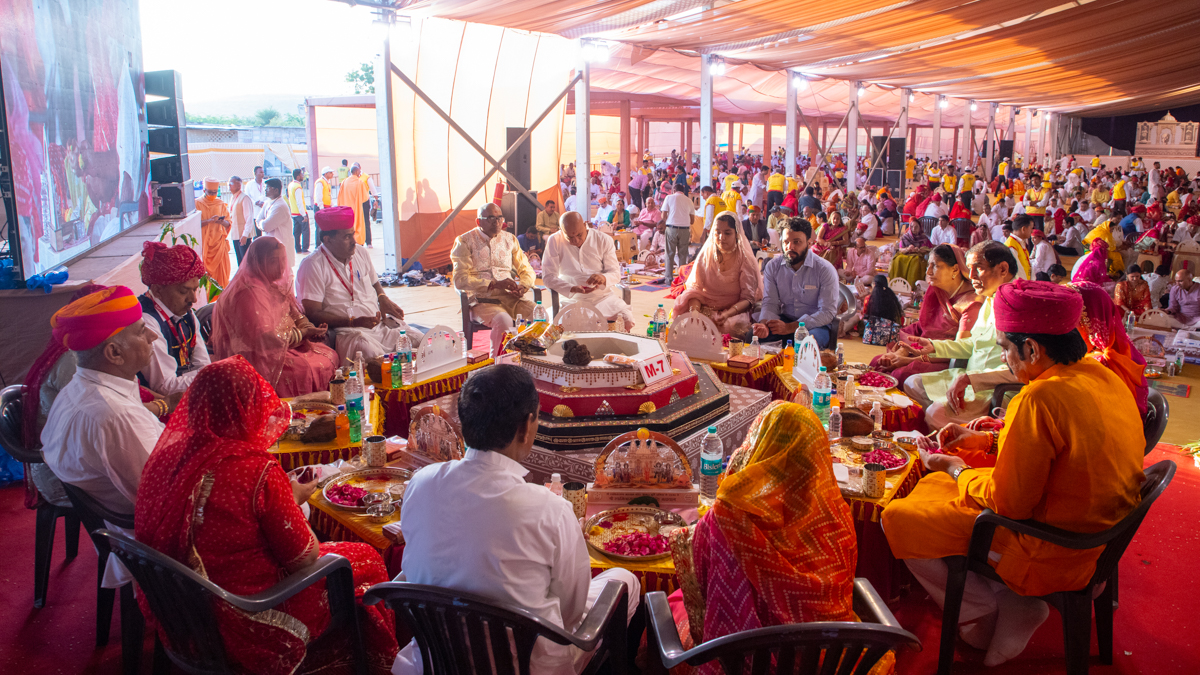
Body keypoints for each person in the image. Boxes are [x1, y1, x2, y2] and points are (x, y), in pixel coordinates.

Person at [882, 279, 1145, 667]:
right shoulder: (1101, 374)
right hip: (1098, 535)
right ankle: (1012, 602)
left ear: (1033, 348)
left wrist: (954, 467)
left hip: (1051, 544)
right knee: (939, 484)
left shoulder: (1040, 397)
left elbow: (1011, 504)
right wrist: (985, 443)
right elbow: (1063, 454)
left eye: (1006, 349)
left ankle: (980, 615)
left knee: (899, 516)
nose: (1005, 360)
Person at [135, 356, 399, 674]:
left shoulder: (166, 458)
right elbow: (304, 558)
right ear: (247, 408)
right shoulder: (253, 469)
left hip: (181, 608)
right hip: (246, 613)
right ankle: (367, 662)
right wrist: (292, 499)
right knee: (365, 557)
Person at [394, 365, 640, 675]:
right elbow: (572, 611)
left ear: (463, 422)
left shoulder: (421, 483)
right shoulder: (549, 509)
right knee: (624, 580)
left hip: (437, 659)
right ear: (526, 427)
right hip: (527, 666)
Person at [666, 401, 866, 662]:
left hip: (743, 658)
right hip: (826, 657)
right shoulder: (836, 515)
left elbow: (701, 579)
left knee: (668, 607)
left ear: (760, 446)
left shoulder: (731, 515)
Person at [40, 286, 164, 586]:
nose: (153, 336)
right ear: (114, 353)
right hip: (153, 545)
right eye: (141, 331)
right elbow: (167, 496)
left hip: (122, 524)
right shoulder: (114, 415)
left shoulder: (77, 391)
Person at [897, 241, 1018, 427]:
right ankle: (948, 427)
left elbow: (1019, 372)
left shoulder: (1018, 307)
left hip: (993, 388)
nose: (971, 276)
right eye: (969, 269)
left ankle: (955, 439)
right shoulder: (991, 299)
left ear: (1003, 269)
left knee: (935, 413)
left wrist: (971, 379)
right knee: (912, 383)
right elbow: (972, 345)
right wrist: (934, 346)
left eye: (978, 269)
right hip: (968, 377)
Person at [210, 238, 337, 397]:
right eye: (272, 261)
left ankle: (320, 409)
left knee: (329, 355)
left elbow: (294, 314)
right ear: (258, 263)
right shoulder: (249, 293)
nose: (280, 266)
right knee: (306, 368)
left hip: (285, 345)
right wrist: (303, 334)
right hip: (258, 354)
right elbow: (264, 338)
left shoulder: (273, 285)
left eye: (282, 260)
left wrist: (308, 327)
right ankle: (297, 415)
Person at [296, 206, 421, 365]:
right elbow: (313, 312)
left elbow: (375, 282)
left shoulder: (361, 253)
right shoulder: (312, 265)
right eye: (347, 237)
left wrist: (382, 298)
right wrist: (353, 322)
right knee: (371, 356)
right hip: (351, 334)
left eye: (353, 234)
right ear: (328, 239)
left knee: (418, 340)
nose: (354, 242)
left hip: (380, 327)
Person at [873, 244, 980, 382]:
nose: (928, 272)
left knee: (901, 374)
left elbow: (959, 349)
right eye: (928, 265)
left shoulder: (971, 303)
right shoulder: (936, 290)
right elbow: (923, 327)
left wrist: (906, 360)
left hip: (944, 359)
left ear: (955, 269)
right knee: (878, 363)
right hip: (921, 349)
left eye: (935, 266)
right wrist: (902, 351)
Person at [451, 203, 537, 357]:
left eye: (499, 218)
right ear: (479, 222)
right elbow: (460, 279)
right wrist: (493, 284)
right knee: (503, 320)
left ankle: (526, 360)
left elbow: (526, 269)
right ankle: (496, 367)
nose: (496, 223)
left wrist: (523, 286)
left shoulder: (510, 239)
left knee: (538, 315)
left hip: (511, 298)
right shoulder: (464, 241)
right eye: (491, 218)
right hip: (482, 300)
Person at [673, 212, 764, 340]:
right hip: (704, 308)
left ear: (737, 234)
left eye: (727, 233)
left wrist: (727, 314)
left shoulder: (745, 260)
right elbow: (695, 290)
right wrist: (695, 312)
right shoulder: (706, 256)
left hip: (734, 312)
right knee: (688, 325)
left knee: (727, 328)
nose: (721, 237)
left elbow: (748, 299)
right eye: (717, 232)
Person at [136, 241, 212, 395]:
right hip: (157, 407)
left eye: (195, 290)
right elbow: (165, 387)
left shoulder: (186, 313)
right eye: (184, 291)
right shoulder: (145, 322)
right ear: (157, 290)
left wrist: (208, 375)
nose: (194, 299)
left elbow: (203, 365)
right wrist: (212, 376)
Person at [753, 217, 840, 349]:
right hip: (785, 319)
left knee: (807, 346)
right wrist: (764, 324)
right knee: (753, 337)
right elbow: (770, 302)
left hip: (815, 326)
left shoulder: (824, 269)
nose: (790, 247)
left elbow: (827, 312)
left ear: (809, 243)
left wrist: (791, 327)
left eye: (797, 242)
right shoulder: (773, 266)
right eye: (786, 242)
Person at [543, 212, 635, 331]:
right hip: (571, 299)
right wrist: (571, 288)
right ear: (561, 230)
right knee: (569, 326)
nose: (575, 240)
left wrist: (603, 278)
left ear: (585, 224)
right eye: (570, 237)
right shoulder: (554, 240)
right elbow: (548, 277)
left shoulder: (603, 239)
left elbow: (615, 274)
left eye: (579, 235)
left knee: (626, 320)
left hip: (603, 298)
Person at [195, 177, 232, 287]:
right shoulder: (197, 204)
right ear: (204, 191)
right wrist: (208, 221)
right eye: (210, 192)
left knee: (223, 276)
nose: (212, 194)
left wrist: (221, 222)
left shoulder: (220, 204)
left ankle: (221, 300)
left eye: (214, 192)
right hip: (205, 245)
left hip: (219, 245)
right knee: (206, 277)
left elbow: (229, 223)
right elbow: (193, 225)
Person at [660, 183, 696, 284]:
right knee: (683, 254)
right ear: (683, 191)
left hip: (671, 228)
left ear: (673, 190)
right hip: (685, 229)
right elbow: (692, 220)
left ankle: (668, 279)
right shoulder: (689, 201)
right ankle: (682, 280)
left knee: (669, 254)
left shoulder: (669, 198)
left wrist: (671, 219)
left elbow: (663, 216)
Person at [259, 178, 297, 268]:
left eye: (268, 188)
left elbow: (266, 226)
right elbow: (258, 219)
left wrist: (261, 224)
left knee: (283, 274)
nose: (265, 190)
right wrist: (262, 223)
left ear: (276, 190)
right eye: (265, 187)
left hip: (281, 245)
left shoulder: (280, 206)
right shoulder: (268, 202)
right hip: (271, 245)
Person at [861, 274, 905, 346]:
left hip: (872, 332)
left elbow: (865, 315)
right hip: (890, 332)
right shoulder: (892, 297)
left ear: (874, 284)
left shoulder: (869, 299)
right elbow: (899, 316)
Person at [889, 219, 933, 286]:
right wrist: (907, 249)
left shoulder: (923, 238)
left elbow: (927, 249)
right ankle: (897, 285)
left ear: (920, 227)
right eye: (912, 226)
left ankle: (912, 285)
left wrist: (917, 250)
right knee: (898, 260)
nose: (914, 228)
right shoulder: (905, 237)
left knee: (916, 261)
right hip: (905, 253)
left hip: (917, 255)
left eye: (916, 227)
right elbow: (901, 249)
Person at [336, 163, 369, 245]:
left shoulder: (344, 182)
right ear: (357, 172)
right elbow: (365, 198)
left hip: (346, 209)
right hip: (356, 208)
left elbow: (339, 197)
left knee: (347, 226)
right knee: (357, 224)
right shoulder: (360, 183)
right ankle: (357, 241)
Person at [227, 175, 256, 265]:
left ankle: (248, 279)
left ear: (239, 185)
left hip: (243, 235)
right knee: (240, 261)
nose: (229, 185)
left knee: (245, 262)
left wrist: (245, 235)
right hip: (236, 234)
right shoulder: (233, 197)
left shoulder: (244, 198)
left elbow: (249, 218)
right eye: (229, 183)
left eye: (231, 183)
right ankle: (242, 278)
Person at [287, 168, 310, 254]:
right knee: (305, 231)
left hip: (294, 212)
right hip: (300, 213)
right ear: (298, 176)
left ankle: (297, 248)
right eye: (301, 174)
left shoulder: (291, 185)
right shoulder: (298, 187)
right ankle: (305, 248)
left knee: (296, 232)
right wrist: (304, 214)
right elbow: (299, 202)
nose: (303, 175)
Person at [1005, 214, 1034, 279]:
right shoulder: (1011, 245)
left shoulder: (1020, 243)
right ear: (1023, 229)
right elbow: (1018, 272)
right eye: (1031, 228)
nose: (1032, 231)